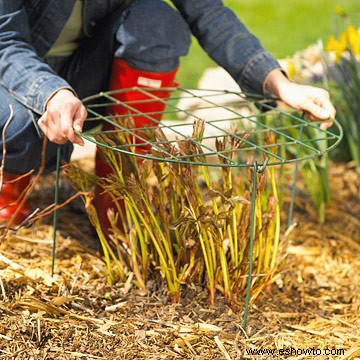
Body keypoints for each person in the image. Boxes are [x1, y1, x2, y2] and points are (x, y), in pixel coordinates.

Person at [0, 0, 336, 232]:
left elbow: (210, 15)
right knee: (19, 131)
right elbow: (5, 41)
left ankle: (117, 195)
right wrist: (50, 92)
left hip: (79, 79)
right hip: (12, 76)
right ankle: (9, 183)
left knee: (157, 22)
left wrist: (280, 85)